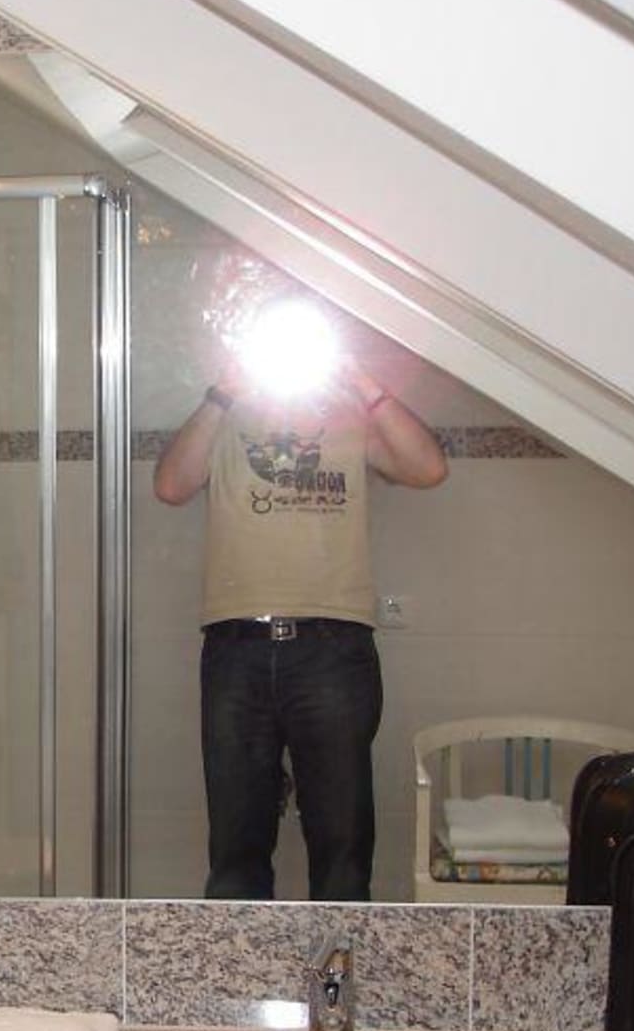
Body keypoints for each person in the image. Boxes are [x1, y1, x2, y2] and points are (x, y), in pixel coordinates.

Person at [154, 290, 448, 902]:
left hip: (333, 647)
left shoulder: (350, 419)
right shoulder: (225, 417)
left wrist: (362, 382)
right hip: (236, 645)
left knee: (342, 844)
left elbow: (428, 469)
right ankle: (237, 962)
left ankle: (338, 964)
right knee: (235, 845)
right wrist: (222, 391)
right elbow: (172, 486)